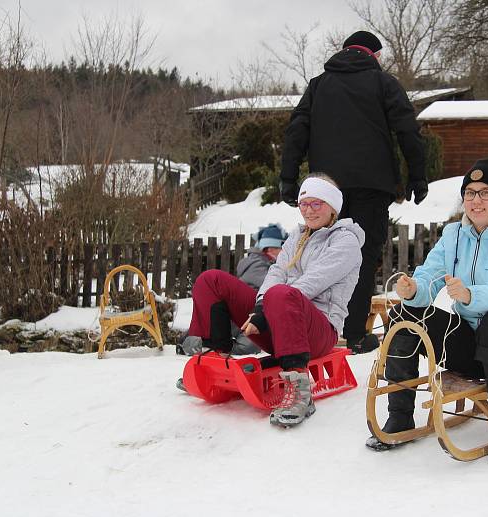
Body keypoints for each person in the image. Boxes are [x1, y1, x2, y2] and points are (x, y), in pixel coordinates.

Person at [365, 159, 488, 464]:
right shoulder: (454, 235)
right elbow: (429, 275)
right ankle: (400, 416)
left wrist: (470, 294)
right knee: (405, 315)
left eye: (485, 193)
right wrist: (414, 290)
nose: (476, 201)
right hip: (476, 346)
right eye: (469, 193)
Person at [279, 30, 427, 355]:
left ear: (345, 51)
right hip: (371, 188)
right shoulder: (383, 83)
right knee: (361, 255)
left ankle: (321, 328)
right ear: (374, 55)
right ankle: (354, 333)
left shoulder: (318, 85)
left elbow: (296, 131)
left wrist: (288, 178)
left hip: (327, 191)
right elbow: (407, 130)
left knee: (323, 255)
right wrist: (418, 176)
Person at [184, 175, 364, 427]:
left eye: (317, 204)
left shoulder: (345, 241)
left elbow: (313, 281)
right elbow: (276, 273)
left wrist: (266, 310)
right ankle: (213, 361)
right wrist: (260, 307)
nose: (309, 211)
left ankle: (299, 391)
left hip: (318, 332)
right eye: (304, 204)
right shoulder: (297, 236)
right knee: (210, 280)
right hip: (277, 321)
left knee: (281, 293)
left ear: (332, 206)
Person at [176, 223, 288, 358]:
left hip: (240, 313)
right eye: (281, 248)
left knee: (220, 326)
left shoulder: (254, 263)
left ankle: (192, 341)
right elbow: (270, 288)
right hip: (250, 311)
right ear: (270, 249)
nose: (284, 253)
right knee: (247, 339)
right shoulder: (260, 266)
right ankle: (199, 345)